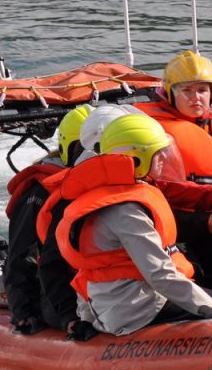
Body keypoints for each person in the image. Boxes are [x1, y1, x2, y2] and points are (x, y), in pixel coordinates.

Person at [55, 114, 212, 336]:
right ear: (137, 160)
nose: (163, 162)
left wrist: (87, 316)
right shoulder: (125, 211)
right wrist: (211, 308)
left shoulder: (107, 195)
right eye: (158, 156)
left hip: (119, 305)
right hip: (140, 309)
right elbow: (159, 275)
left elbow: (89, 271)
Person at [35, 104, 143, 336]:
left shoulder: (137, 183)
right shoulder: (71, 195)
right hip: (90, 303)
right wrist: (69, 316)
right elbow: (51, 263)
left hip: (129, 294)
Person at [137, 49, 212, 289]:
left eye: (202, 90)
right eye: (187, 91)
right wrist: (211, 210)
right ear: (170, 93)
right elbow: (160, 191)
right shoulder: (155, 133)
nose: (196, 98)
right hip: (179, 219)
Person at [4, 105, 92, 334]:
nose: (93, 154)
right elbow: (21, 254)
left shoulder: (110, 184)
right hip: (59, 295)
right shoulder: (39, 193)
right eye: (86, 147)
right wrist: (23, 311)